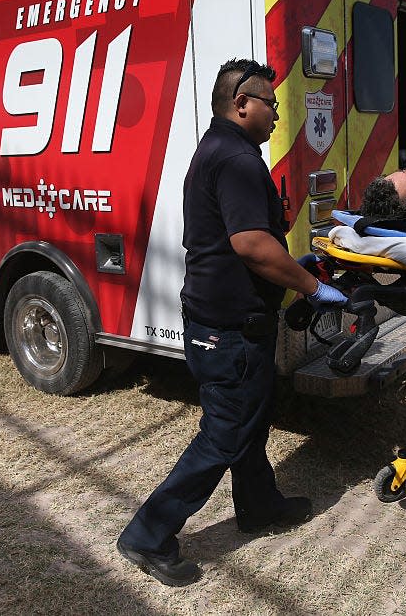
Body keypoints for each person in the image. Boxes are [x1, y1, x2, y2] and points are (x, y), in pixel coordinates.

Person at [116, 58, 347, 587]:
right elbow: (250, 244)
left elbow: (241, 239)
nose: (275, 114)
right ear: (241, 104)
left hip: (222, 318)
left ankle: (259, 505)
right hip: (229, 327)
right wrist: (310, 286)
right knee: (224, 433)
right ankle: (148, 534)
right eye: (270, 103)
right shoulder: (238, 159)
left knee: (251, 415)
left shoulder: (217, 151)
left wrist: (294, 269)